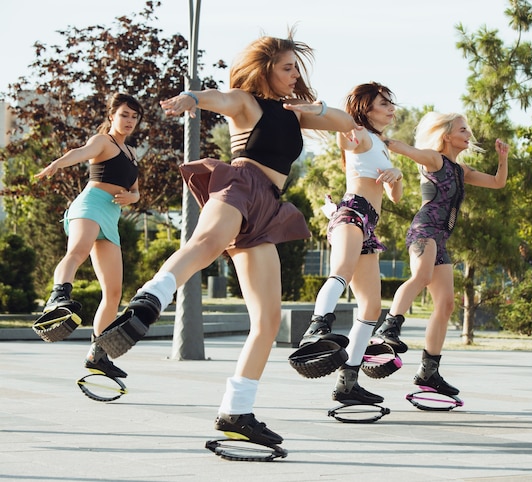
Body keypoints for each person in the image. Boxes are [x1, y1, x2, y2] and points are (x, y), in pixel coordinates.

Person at [97, 30, 355, 447]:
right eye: (287, 67)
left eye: (296, 68)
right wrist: (191, 99)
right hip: (240, 184)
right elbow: (216, 97)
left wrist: (315, 107)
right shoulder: (246, 102)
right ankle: (148, 301)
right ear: (266, 69)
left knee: (268, 320)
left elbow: (346, 123)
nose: (294, 74)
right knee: (206, 244)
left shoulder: (294, 113)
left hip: (268, 207)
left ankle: (236, 411)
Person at [374, 112, 509, 396]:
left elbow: (498, 182)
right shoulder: (435, 159)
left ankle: (429, 371)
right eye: (463, 130)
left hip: (441, 240)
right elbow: (403, 148)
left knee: (446, 305)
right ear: (447, 135)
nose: (469, 134)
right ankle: (388, 328)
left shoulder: (462, 171)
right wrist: (376, 138)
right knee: (421, 276)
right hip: (424, 231)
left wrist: (503, 156)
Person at [298, 82, 403, 405]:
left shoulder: (381, 145)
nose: (391, 109)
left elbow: (395, 198)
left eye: (390, 103)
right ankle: (317, 328)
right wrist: (327, 112)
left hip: (369, 224)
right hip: (352, 214)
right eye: (383, 104)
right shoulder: (360, 136)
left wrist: (397, 175)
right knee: (341, 271)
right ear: (365, 109)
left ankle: (349, 380)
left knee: (371, 306)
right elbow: (346, 134)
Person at [34, 93, 144, 379]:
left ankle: (98, 353)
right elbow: (80, 153)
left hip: (111, 216)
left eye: (134, 116)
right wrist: (58, 164)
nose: (129, 120)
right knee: (78, 252)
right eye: (124, 115)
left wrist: (131, 197)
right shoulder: (103, 142)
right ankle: (58, 298)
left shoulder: (131, 152)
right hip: (91, 204)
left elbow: (135, 190)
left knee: (114, 291)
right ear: (112, 116)